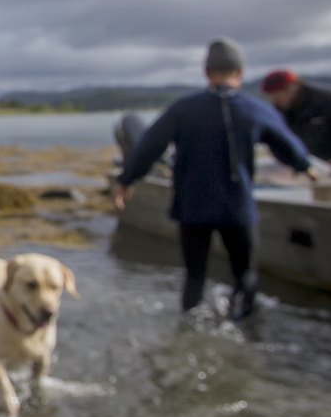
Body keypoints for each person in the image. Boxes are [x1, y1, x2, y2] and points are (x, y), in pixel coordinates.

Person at [112, 38, 316, 319]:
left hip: (193, 208)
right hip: (237, 207)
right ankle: (244, 334)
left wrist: (126, 180)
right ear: (240, 74)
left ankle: (189, 328)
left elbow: (150, 146)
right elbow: (289, 147)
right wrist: (304, 166)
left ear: (207, 74)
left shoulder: (184, 109)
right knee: (245, 275)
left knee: (195, 275)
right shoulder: (255, 109)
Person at [260, 68, 331, 197]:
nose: (276, 101)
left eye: (278, 95)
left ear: (292, 87)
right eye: (271, 97)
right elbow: (281, 140)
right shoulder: (281, 110)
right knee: (319, 211)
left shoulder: (328, 100)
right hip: (315, 170)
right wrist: (294, 163)